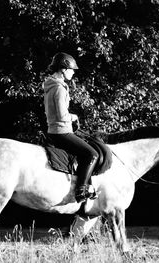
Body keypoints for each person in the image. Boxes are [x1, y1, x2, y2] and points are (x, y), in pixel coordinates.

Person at [43, 52, 98, 203]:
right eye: (71, 69)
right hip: (61, 132)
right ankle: (81, 190)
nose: (73, 72)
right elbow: (61, 115)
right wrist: (73, 117)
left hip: (53, 130)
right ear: (63, 69)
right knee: (92, 154)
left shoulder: (50, 85)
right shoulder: (59, 88)